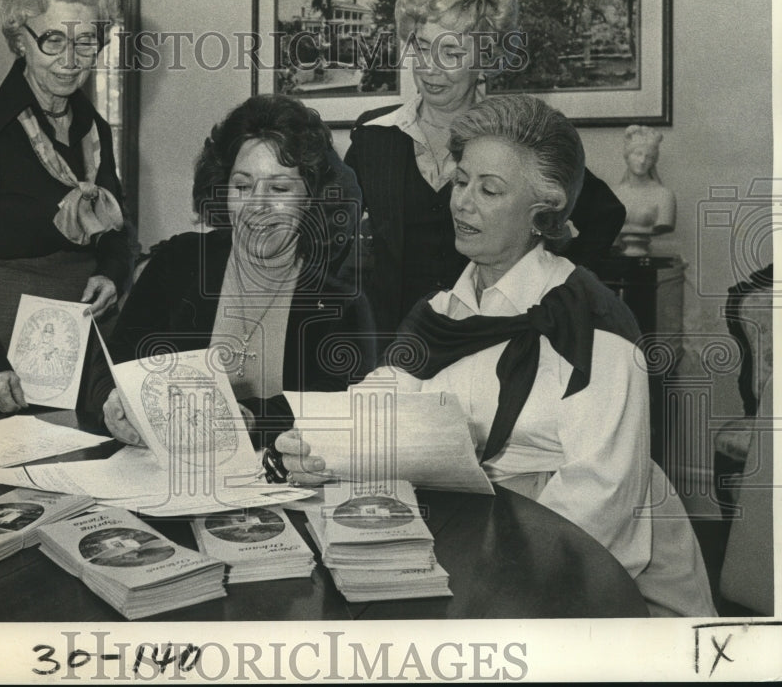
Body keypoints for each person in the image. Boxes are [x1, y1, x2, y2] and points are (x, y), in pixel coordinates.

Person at [277, 94, 715, 617]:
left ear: (543, 211)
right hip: (478, 545)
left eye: (489, 189)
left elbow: (599, 500)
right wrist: (318, 444)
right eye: (461, 181)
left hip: (595, 577)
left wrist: (485, 577)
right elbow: (386, 402)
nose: (462, 202)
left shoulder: (590, 322)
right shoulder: (443, 309)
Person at [345, 0, 627, 337]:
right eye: (423, 48)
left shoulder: (517, 136)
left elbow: (605, 214)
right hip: (392, 347)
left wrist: (553, 290)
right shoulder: (374, 135)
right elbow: (328, 236)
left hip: (489, 343)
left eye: (453, 55)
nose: (430, 69)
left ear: (485, 60)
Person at [79, 94, 374, 447]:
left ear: (311, 197)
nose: (256, 207)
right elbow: (113, 363)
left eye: (279, 188)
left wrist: (248, 421)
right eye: (243, 186)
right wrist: (112, 400)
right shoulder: (178, 262)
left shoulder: (339, 300)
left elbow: (336, 410)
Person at [0, 0, 135, 412]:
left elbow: (115, 228)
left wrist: (110, 273)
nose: (70, 60)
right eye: (52, 39)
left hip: (87, 336)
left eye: (86, 41)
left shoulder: (97, 130)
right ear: (19, 39)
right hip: (3, 338)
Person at [614, 125, 676, 256]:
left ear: (654, 161)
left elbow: (665, 223)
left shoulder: (664, 196)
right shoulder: (613, 194)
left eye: (649, 157)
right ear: (627, 156)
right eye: (637, 154)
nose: (642, 161)